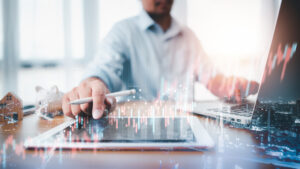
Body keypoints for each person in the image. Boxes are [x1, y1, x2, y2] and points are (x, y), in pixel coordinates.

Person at [62, 0, 259, 119]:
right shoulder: (123, 32)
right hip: (136, 130)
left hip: (185, 129)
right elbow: (101, 70)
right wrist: (92, 84)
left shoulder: (188, 36)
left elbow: (212, 78)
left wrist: (230, 86)